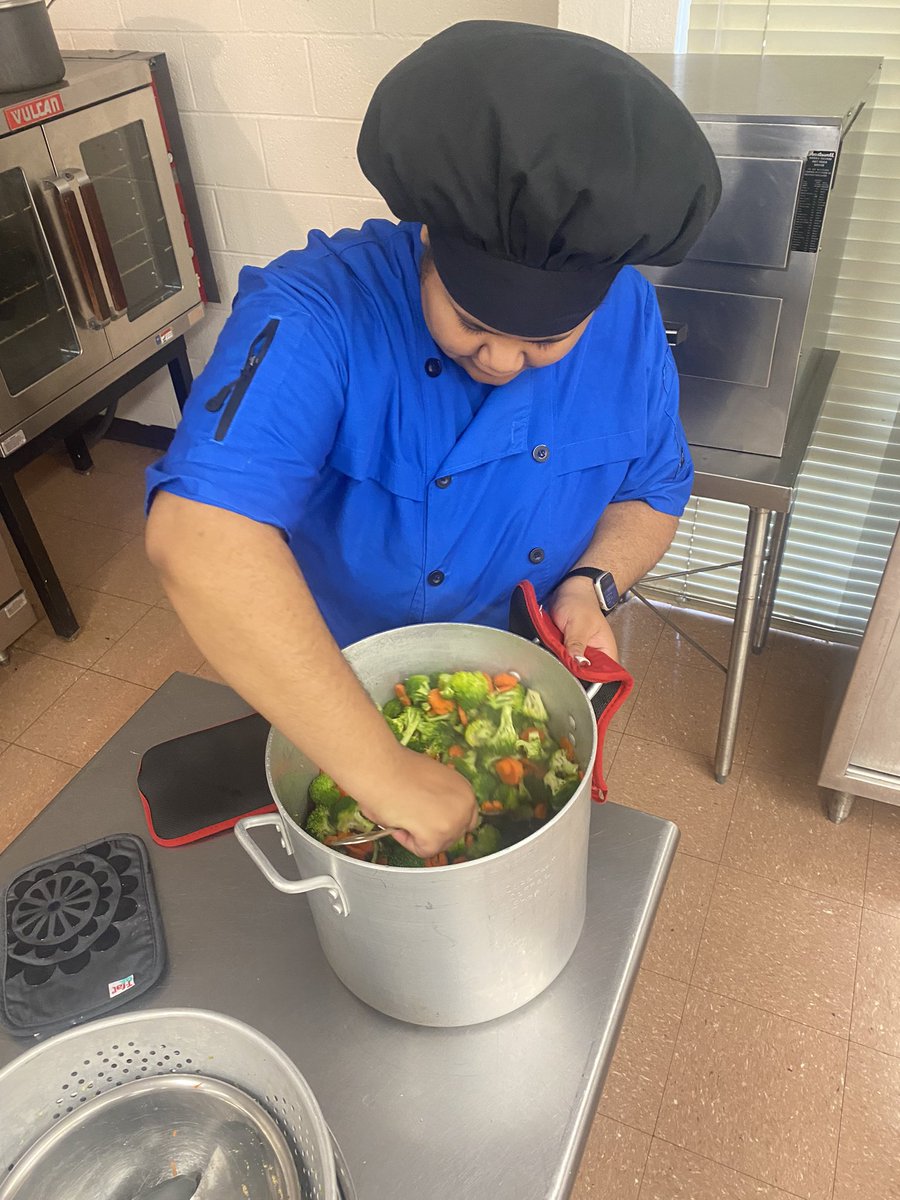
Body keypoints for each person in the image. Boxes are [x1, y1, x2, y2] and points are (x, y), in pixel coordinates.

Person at [145, 21, 721, 859]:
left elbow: (653, 490)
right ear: (428, 242)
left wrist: (592, 587)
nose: (501, 361)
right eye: (473, 321)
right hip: (338, 700)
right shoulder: (315, 313)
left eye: (545, 343)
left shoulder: (628, 316)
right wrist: (382, 771)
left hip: (522, 687)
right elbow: (199, 540)